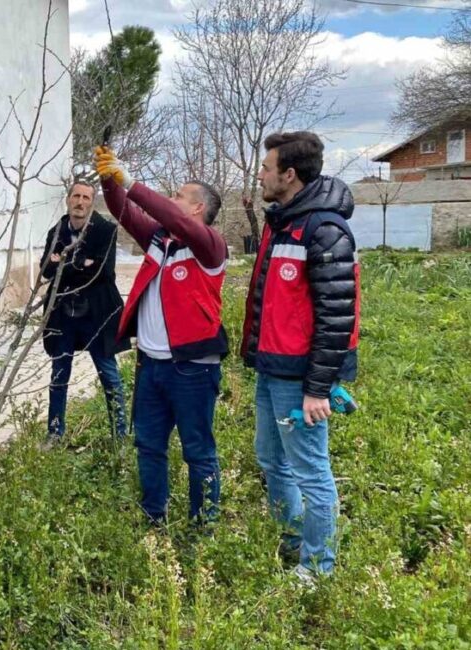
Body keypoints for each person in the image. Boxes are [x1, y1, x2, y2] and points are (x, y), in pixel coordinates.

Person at [243, 131, 360, 583]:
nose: (260, 174)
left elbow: (337, 315)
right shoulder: (282, 223)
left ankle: (318, 569)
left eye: (267, 167)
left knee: (311, 471)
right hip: (273, 370)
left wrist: (316, 389)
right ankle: (292, 541)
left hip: (300, 380)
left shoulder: (324, 229)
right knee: (272, 460)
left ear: (289, 175)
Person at [96, 146, 229, 526]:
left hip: (192, 370)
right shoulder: (159, 240)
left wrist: (131, 181)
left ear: (197, 209)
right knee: (149, 446)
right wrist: (108, 176)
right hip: (151, 366)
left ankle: (203, 525)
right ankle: (154, 515)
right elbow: (124, 210)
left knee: (198, 451)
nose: (170, 202)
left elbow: (166, 214)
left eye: (178, 197)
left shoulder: (209, 245)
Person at [40, 179, 129, 444]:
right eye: (76, 196)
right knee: (58, 376)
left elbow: (104, 273)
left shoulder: (106, 231)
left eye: (86, 198)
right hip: (63, 315)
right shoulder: (56, 232)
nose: (80, 202)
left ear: (92, 202)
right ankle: (55, 433)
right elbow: (46, 270)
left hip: (97, 317)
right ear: (68, 199)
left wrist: (65, 263)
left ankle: (120, 435)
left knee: (110, 377)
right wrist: (82, 263)